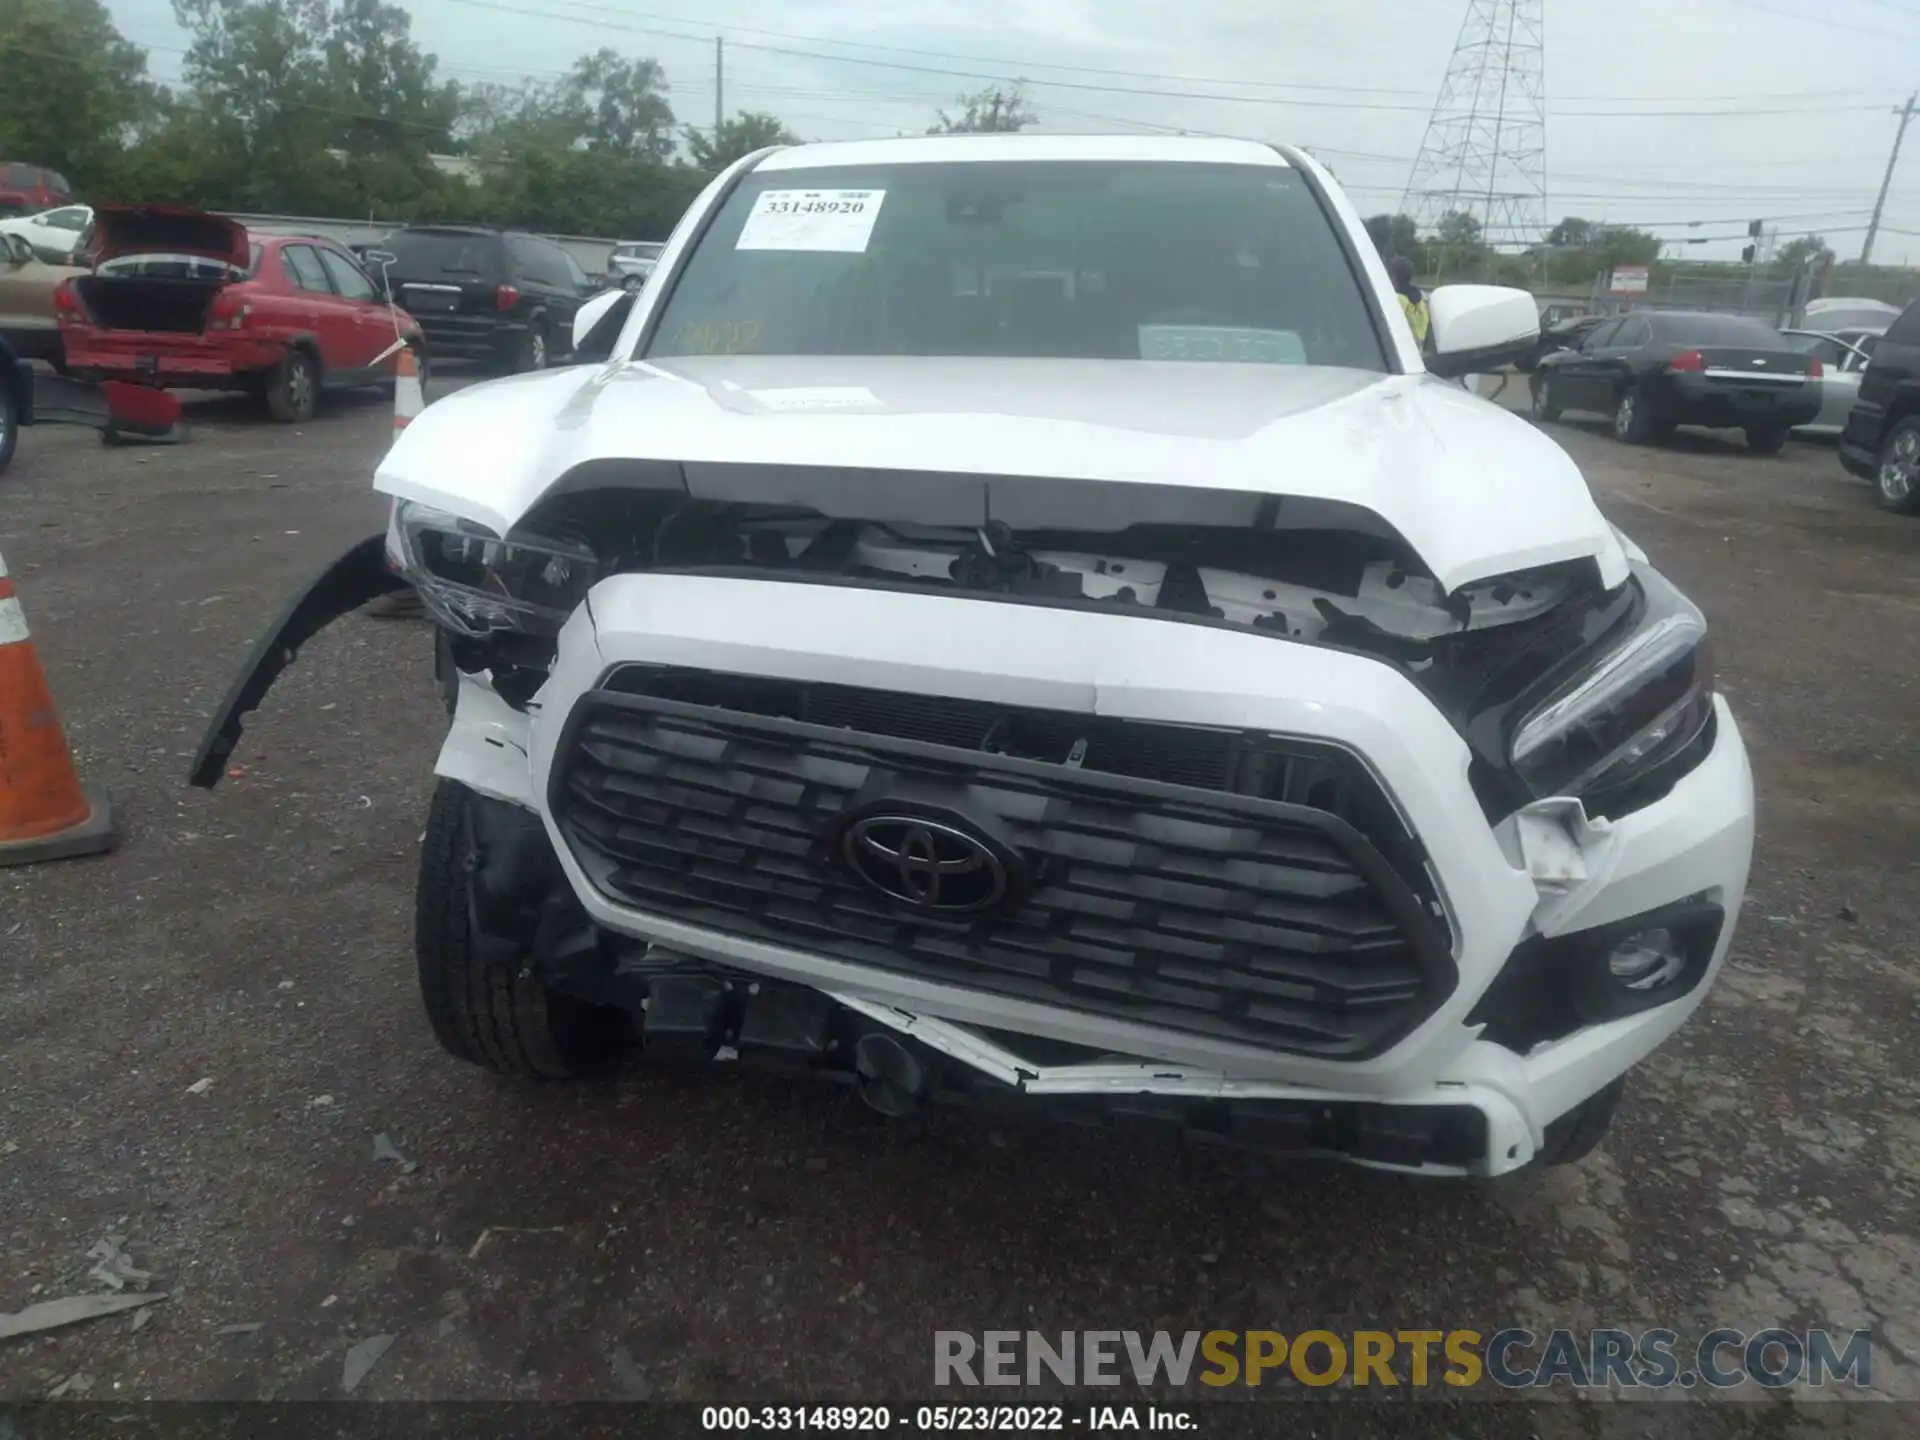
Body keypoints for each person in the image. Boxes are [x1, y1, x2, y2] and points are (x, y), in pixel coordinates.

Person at [1388, 255, 1430, 348]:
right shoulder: (1422, 298)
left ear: (1394, 277)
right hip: (1420, 347)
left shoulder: (1397, 300)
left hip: (1405, 347)